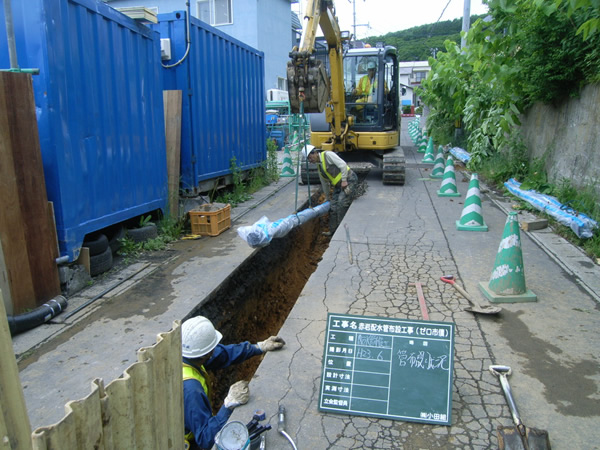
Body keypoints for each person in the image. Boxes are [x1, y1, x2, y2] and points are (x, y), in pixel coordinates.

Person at [181, 316, 285, 449]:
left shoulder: (185, 354)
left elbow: (222, 354)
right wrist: (228, 405)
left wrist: (258, 347)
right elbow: (206, 439)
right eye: (211, 348)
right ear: (204, 354)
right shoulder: (191, 389)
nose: (214, 350)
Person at [303, 145, 358, 235]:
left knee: (341, 203)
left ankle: (342, 233)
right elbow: (324, 183)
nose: (310, 160)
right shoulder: (319, 165)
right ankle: (333, 232)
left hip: (349, 179)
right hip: (338, 185)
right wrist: (328, 197)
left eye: (310, 157)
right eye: (308, 159)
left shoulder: (328, 155)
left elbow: (343, 165)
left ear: (316, 153)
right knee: (333, 207)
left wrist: (344, 180)